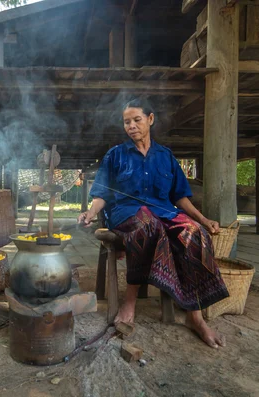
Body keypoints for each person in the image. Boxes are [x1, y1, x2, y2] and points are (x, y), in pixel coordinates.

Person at [77, 98, 229, 349]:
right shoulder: (115, 155)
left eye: (137, 120)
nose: (131, 126)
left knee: (195, 234)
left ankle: (195, 316)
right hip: (127, 213)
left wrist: (202, 219)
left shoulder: (166, 156)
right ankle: (130, 300)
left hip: (164, 212)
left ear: (150, 119)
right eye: (127, 122)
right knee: (148, 227)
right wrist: (90, 213)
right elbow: (101, 195)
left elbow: (180, 196)